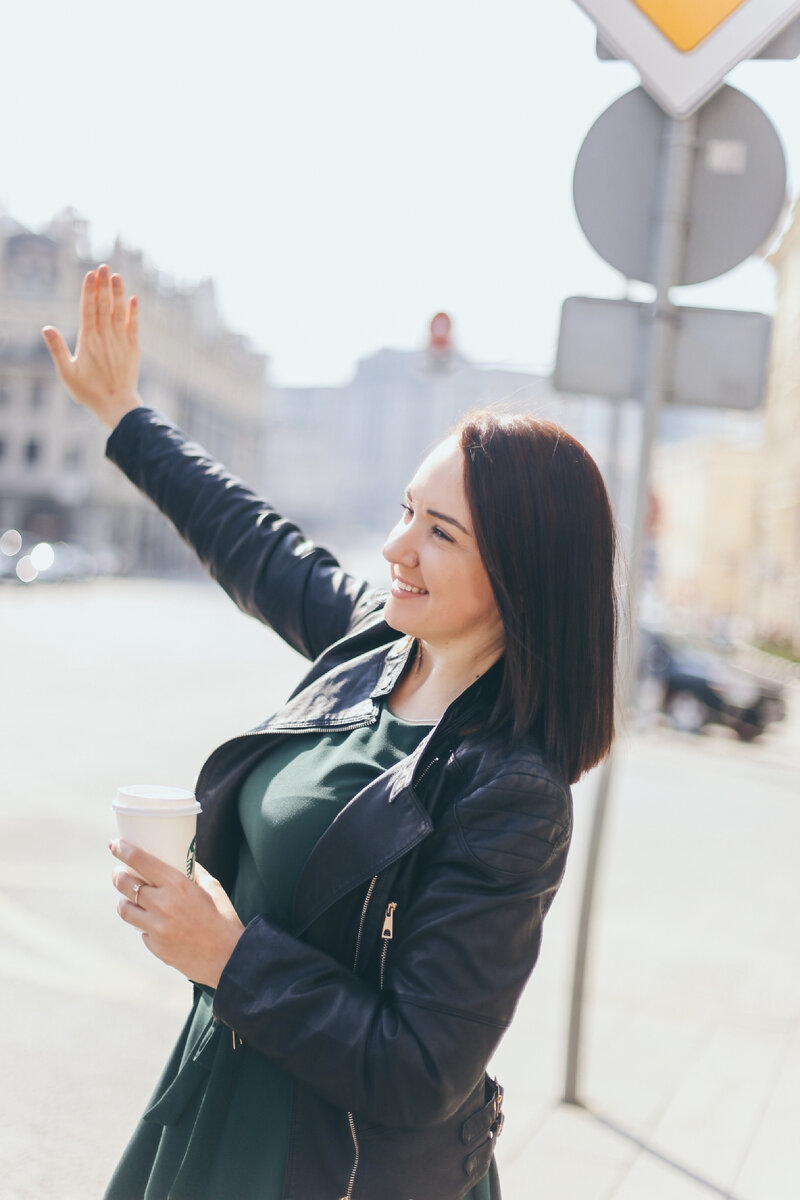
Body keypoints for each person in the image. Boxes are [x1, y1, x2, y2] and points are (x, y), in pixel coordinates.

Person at [42, 265, 618, 1200]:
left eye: (440, 533)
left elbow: (422, 1067)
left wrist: (227, 956)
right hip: (221, 1101)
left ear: (521, 577)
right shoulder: (375, 646)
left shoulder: (512, 791)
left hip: (329, 1168)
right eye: (403, 513)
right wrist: (125, 417)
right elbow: (256, 542)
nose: (395, 548)